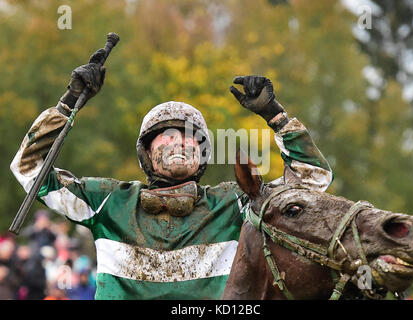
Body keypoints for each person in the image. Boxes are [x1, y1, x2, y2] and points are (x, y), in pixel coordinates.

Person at [10, 48, 333, 299]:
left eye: (190, 135)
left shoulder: (234, 203)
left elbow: (312, 179)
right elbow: (29, 169)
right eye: (168, 135)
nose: (180, 141)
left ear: (203, 153)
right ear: (147, 152)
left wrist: (274, 114)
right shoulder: (108, 201)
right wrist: (68, 104)